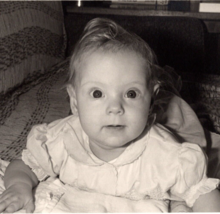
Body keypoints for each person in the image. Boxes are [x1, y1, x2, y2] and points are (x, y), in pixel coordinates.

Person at [0, 17, 220, 213]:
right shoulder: (62, 139)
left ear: (150, 100)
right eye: (98, 93)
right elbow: (25, 164)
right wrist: (18, 186)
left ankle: (173, 93)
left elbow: (202, 192)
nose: (115, 107)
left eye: (131, 93)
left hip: (167, 133)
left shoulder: (167, 157)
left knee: (186, 122)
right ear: (75, 102)